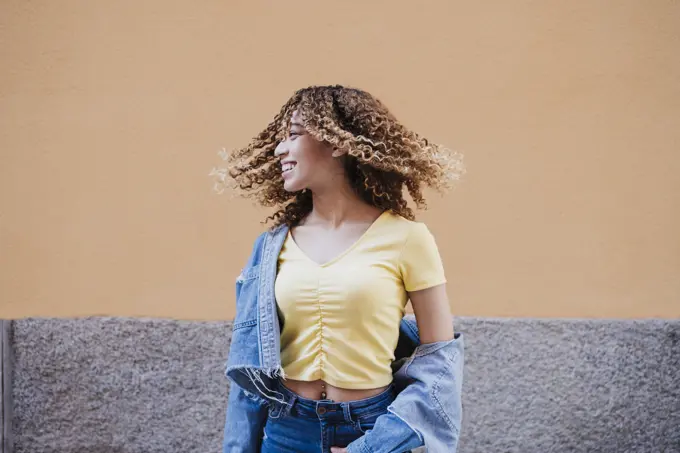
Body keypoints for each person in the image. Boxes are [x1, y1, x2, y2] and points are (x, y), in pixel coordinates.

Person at [216, 85, 466, 453]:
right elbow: (249, 377)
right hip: (286, 430)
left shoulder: (408, 238)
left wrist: (377, 446)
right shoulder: (270, 248)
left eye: (294, 135)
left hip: (370, 429)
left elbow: (441, 363)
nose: (279, 149)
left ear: (337, 142)